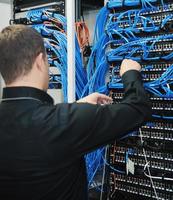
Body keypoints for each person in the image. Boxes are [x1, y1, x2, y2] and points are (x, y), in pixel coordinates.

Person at [0, 25, 151, 200]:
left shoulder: (61, 121)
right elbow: (139, 108)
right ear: (40, 61)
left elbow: (36, 130)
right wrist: (130, 73)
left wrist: (77, 107)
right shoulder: (64, 123)